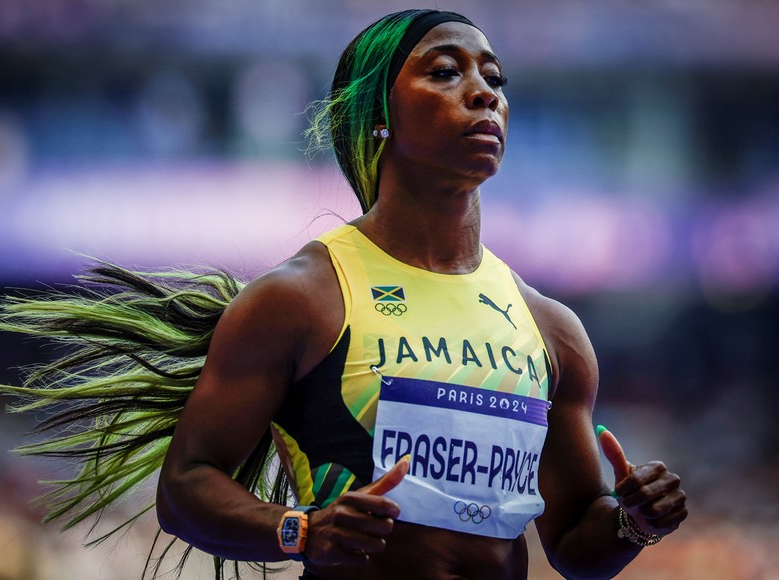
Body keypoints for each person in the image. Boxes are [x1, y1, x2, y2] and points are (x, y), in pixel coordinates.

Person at [152, 8, 688, 580]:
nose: (483, 93)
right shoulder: (303, 298)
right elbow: (185, 489)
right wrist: (301, 531)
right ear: (379, 111)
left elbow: (576, 548)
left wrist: (635, 522)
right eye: (444, 72)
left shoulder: (550, 329)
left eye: (494, 78)